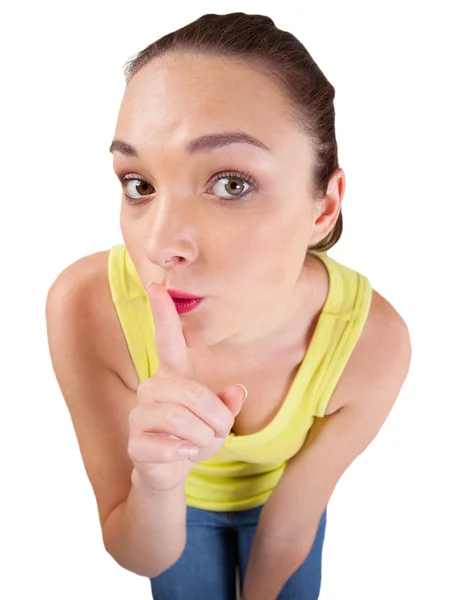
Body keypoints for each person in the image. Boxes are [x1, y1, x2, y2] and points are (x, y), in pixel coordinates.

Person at [45, 12, 412, 600]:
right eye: (139, 183)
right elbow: (132, 544)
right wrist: (161, 483)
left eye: (232, 184)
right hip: (169, 507)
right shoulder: (87, 308)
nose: (160, 246)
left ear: (323, 208)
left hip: (282, 506)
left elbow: (293, 519)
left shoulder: (372, 342)